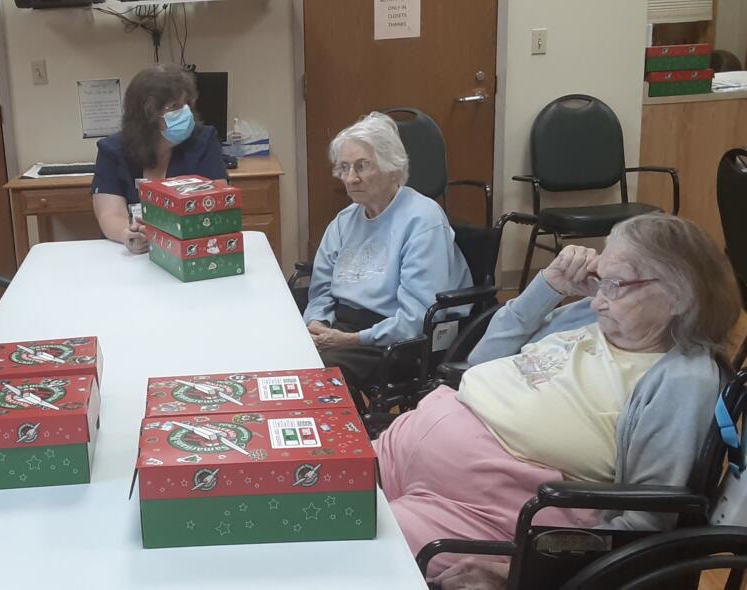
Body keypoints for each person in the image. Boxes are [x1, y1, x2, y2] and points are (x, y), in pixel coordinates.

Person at [371, 214, 740, 586]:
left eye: (615, 284)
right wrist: (547, 287)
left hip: (476, 507)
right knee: (332, 499)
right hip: (405, 444)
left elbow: (647, 517)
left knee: (352, 550)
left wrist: (523, 570)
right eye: (599, 279)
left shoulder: (683, 378)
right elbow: (479, 360)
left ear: (678, 296)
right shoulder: (586, 315)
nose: (597, 301)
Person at [304, 112, 472, 386]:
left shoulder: (423, 220)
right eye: (344, 168)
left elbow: (416, 319)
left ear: (392, 168)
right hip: (342, 327)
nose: (350, 178)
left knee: (316, 375)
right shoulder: (345, 220)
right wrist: (317, 324)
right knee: (287, 353)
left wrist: (351, 340)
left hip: (392, 339)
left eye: (362, 166)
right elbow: (321, 289)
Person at [91, 63, 228, 254]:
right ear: (146, 115)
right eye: (174, 107)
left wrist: (167, 236)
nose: (186, 112)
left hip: (189, 250)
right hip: (133, 254)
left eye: (187, 104)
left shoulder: (204, 141)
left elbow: (217, 204)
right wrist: (129, 234)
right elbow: (110, 214)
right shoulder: (113, 151)